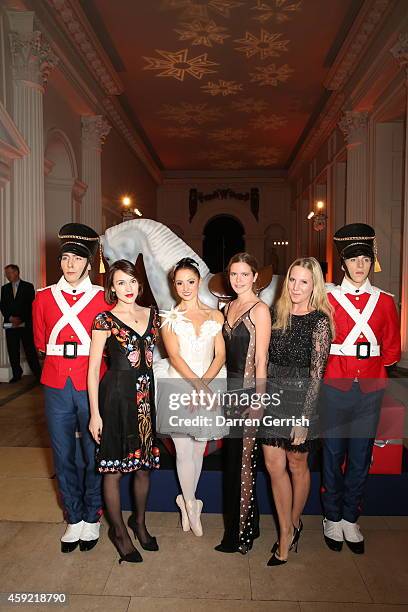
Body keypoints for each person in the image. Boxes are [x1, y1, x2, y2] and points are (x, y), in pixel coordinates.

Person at [321, 223, 401, 554]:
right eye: (353, 259)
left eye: (365, 260)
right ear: (343, 264)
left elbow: (392, 350)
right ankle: (331, 517)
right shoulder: (326, 298)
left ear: (371, 263)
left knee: (360, 455)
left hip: (369, 388)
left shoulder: (385, 302)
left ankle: (351, 518)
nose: (359, 266)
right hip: (334, 386)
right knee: (332, 454)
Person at [32, 223, 110, 553]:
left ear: (88, 263)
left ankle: (93, 516)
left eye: (77, 259)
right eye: (65, 258)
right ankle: (74, 517)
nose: (70, 265)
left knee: (94, 454)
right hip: (55, 383)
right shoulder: (42, 297)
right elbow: (39, 342)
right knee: (63, 454)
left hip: (91, 382)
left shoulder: (103, 299)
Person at [260, 257, 333, 566]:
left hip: (302, 399)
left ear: (314, 285)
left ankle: (292, 526)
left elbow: (317, 375)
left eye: (304, 281)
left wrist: (304, 418)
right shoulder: (276, 314)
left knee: (296, 464)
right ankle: (286, 530)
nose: (296, 287)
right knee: (274, 466)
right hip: (273, 399)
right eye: (292, 279)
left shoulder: (319, 320)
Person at [88, 259, 160, 563]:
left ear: (139, 284)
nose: (127, 288)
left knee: (144, 467)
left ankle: (139, 522)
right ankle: (118, 532)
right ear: (112, 287)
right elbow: (93, 370)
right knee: (114, 470)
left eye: (131, 282)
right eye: (120, 283)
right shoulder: (104, 320)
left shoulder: (153, 315)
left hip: (145, 399)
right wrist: (95, 413)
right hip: (115, 398)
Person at [156, 257, 226, 537]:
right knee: (183, 450)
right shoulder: (169, 317)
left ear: (199, 283)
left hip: (209, 384)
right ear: (174, 286)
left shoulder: (215, 315)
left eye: (191, 281)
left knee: (199, 449)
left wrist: (205, 384)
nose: (185, 287)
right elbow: (174, 355)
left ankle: (190, 501)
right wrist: (196, 386)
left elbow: (220, 354)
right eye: (180, 282)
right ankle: (190, 503)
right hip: (179, 385)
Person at [215, 252, 271, 554]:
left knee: (244, 463)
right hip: (230, 391)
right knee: (234, 461)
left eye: (244, 274)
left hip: (250, 393)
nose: (238, 280)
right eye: (233, 274)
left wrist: (260, 401)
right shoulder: (227, 307)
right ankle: (253, 523)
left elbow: (262, 359)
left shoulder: (260, 310)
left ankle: (240, 535)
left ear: (254, 277)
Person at [0, 264, 41, 382]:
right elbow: (3, 305)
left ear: (16, 272)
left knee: (30, 351)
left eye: (9, 273)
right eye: (6, 274)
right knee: (13, 351)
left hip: (25, 325)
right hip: (10, 324)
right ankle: (16, 374)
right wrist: (10, 317)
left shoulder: (28, 287)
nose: (7, 276)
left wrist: (21, 319)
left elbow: (30, 305)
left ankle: (38, 375)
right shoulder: (5, 288)